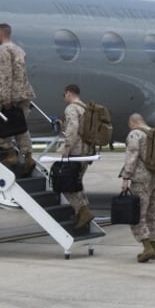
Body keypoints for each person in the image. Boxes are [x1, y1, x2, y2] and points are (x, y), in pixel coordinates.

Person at [0, 23, 36, 177]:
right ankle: (28, 157)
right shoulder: (17, 49)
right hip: (24, 92)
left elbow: (5, 75)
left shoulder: (3, 50)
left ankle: (10, 153)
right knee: (20, 126)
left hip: (11, 93)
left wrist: (5, 97)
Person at [119, 113, 155, 263]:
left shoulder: (135, 134)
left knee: (137, 215)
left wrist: (126, 177)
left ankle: (147, 248)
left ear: (132, 123)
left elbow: (132, 156)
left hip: (141, 180)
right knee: (152, 215)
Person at [59, 84, 94, 230]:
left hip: (76, 151)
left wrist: (66, 146)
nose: (64, 97)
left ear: (68, 93)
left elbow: (73, 128)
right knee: (77, 183)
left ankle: (82, 211)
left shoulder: (71, 108)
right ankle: (81, 212)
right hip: (87, 151)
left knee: (67, 184)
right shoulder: (85, 108)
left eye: (64, 94)